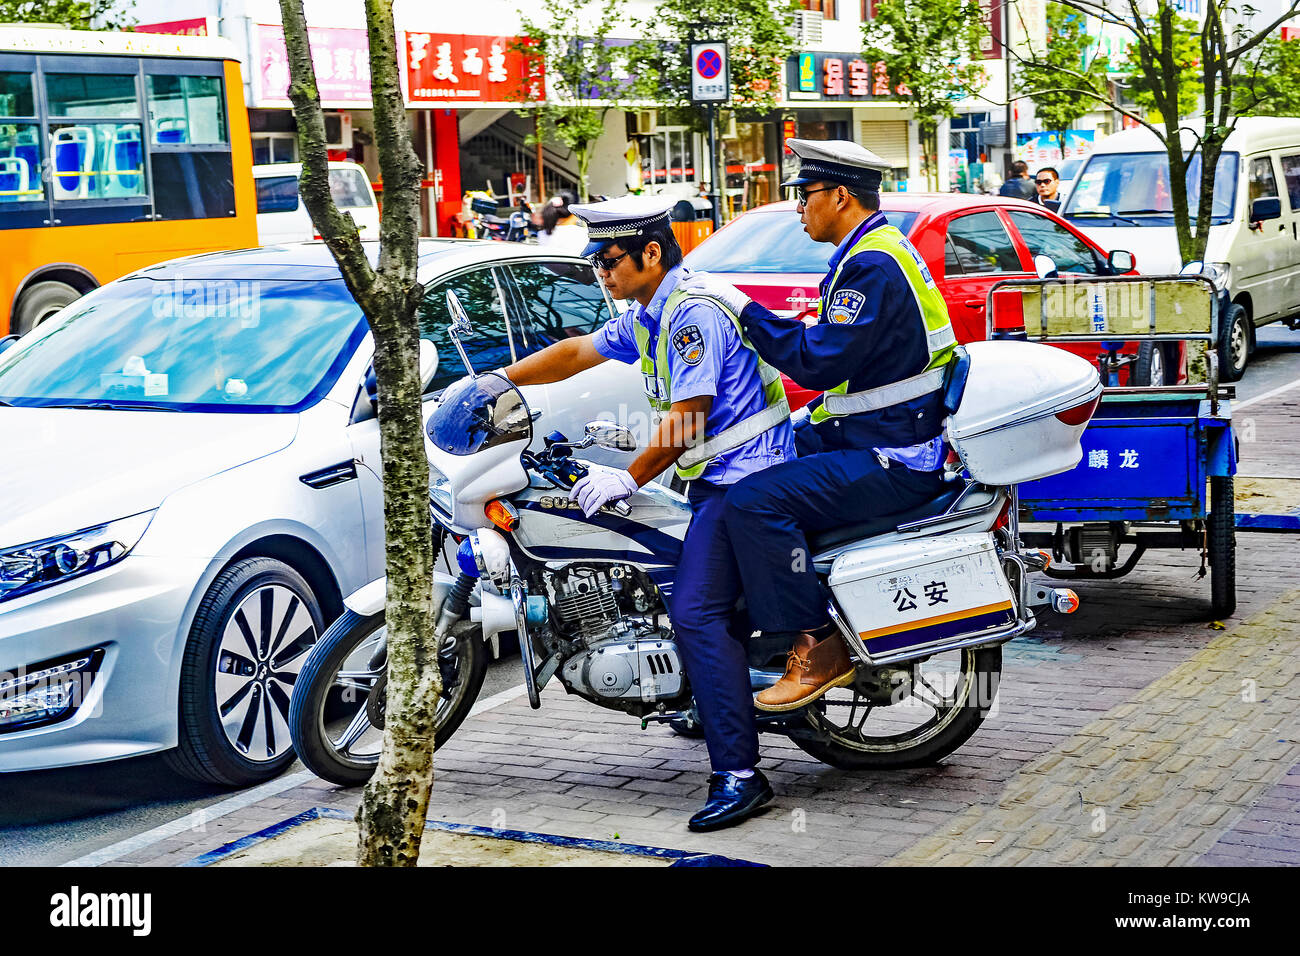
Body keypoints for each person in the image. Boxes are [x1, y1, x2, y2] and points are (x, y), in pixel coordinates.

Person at [501, 195, 795, 832]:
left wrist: (626, 477)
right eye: (597, 261)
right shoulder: (649, 311)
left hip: (746, 481)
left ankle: (741, 777)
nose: (602, 273)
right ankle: (706, 702)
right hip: (718, 476)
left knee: (695, 609)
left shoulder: (689, 315)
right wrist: (500, 381)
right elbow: (580, 352)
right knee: (667, 580)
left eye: (610, 260)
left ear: (651, 253)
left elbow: (687, 417)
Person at [681, 139, 959, 712]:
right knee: (762, 460)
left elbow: (818, 359)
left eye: (804, 196)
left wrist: (744, 310)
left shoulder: (871, 266)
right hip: (881, 431)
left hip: (895, 455)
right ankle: (729, 657)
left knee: (753, 500)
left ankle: (815, 641)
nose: (798, 208)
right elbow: (852, 364)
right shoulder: (873, 251)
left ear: (840, 195)